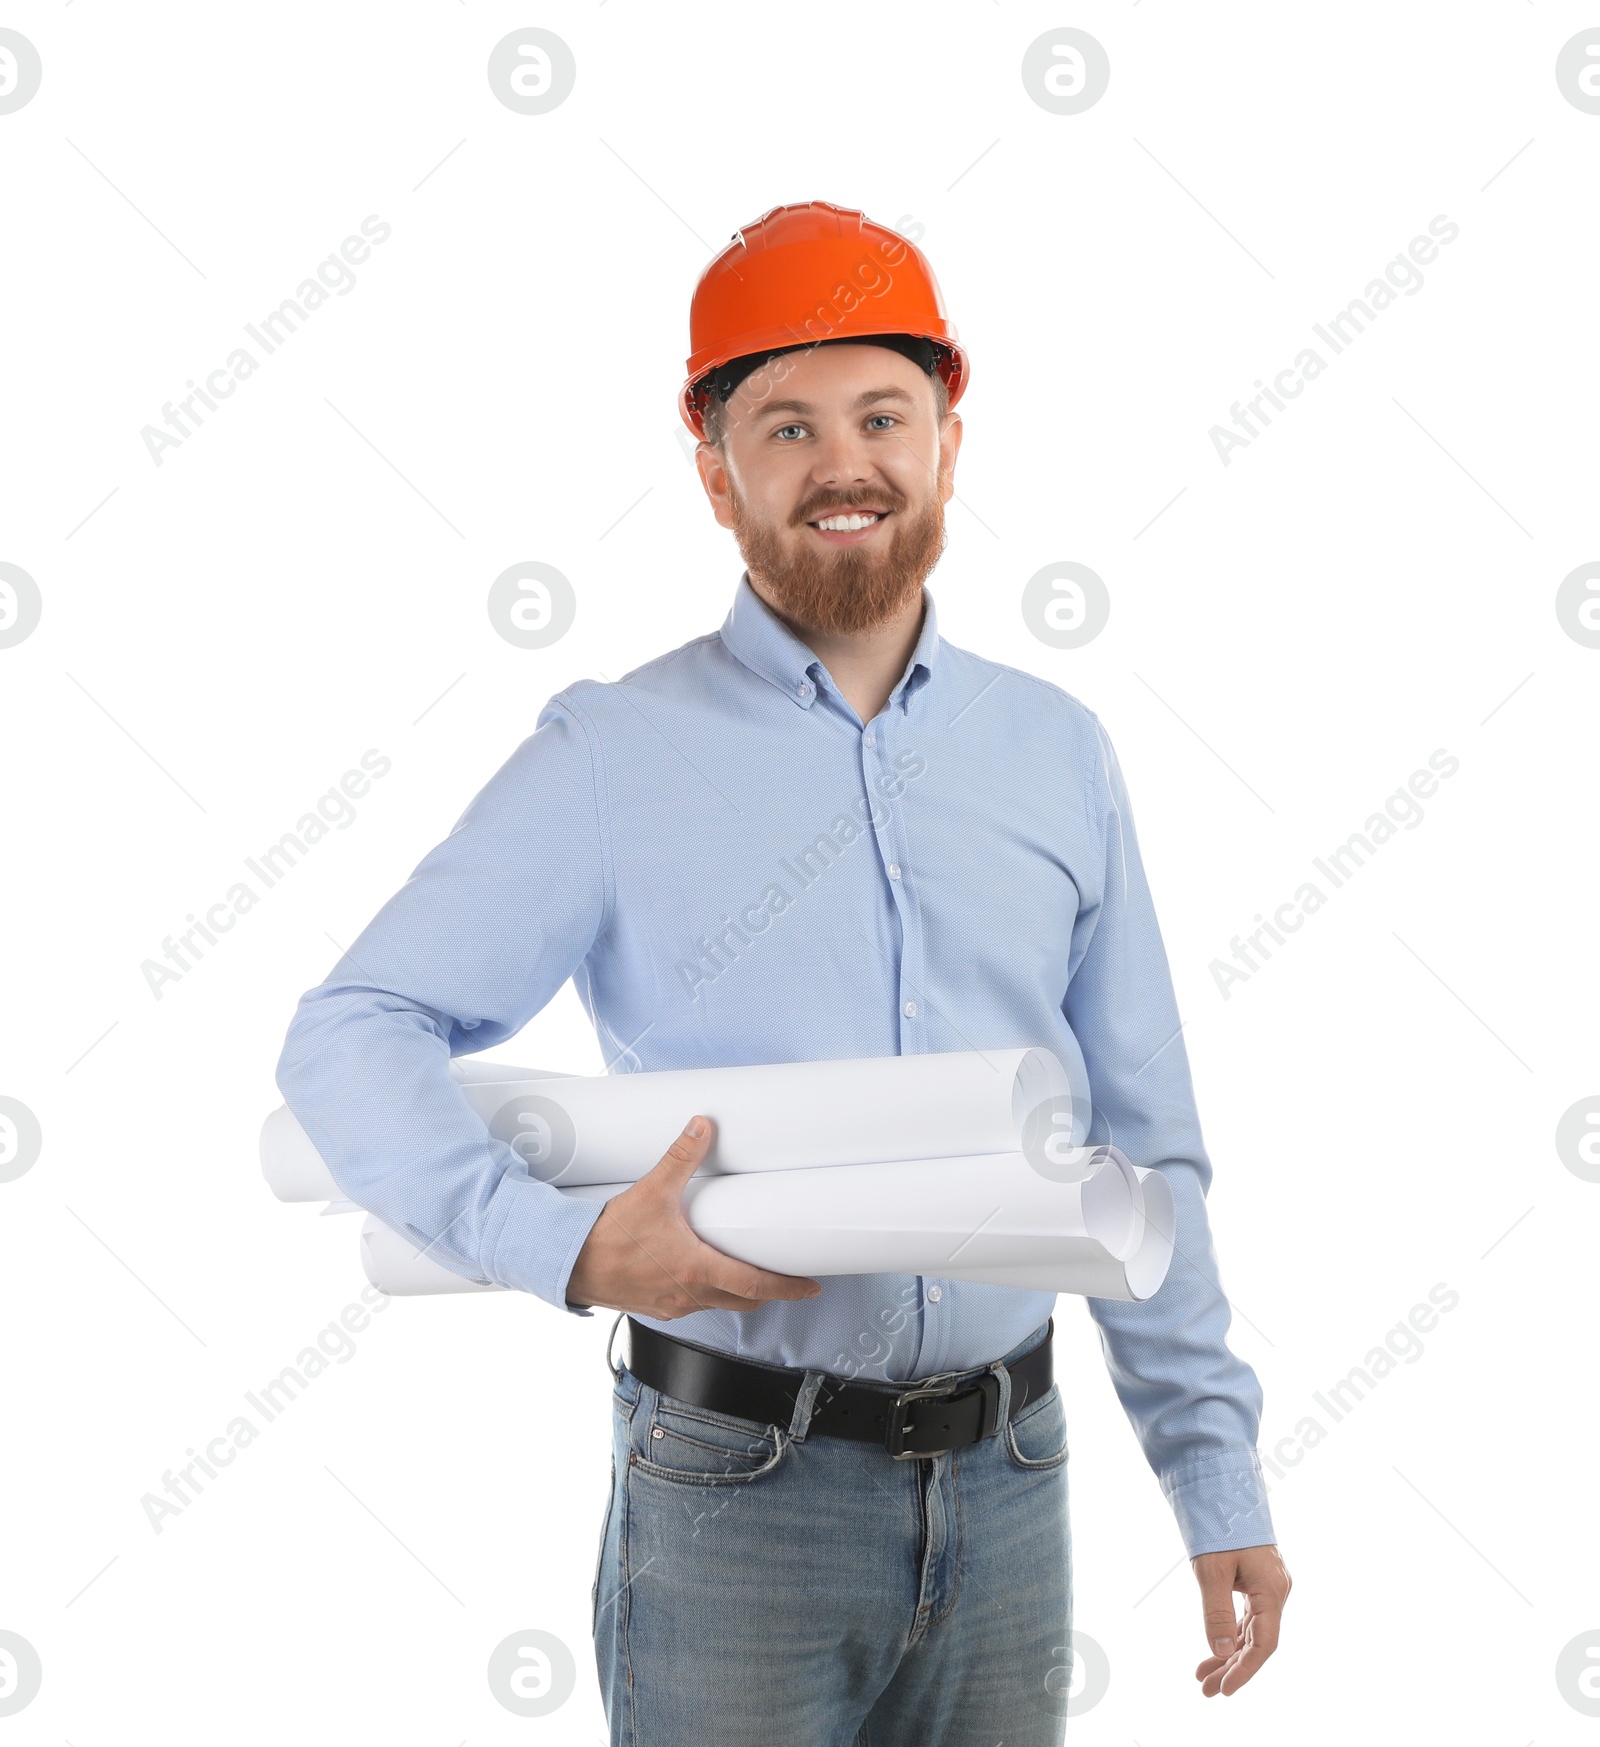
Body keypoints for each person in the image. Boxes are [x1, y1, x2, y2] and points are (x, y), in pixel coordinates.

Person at [274, 200, 1290, 1746]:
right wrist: (560, 1247)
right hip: (737, 1496)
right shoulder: (613, 756)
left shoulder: (1055, 752)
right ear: (715, 471)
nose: (843, 465)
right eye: (786, 425)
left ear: (948, 437)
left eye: (882, 415)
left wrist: (1213, 1473)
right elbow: (352, 1030)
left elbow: (1145, 1146)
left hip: (1017, 1481)